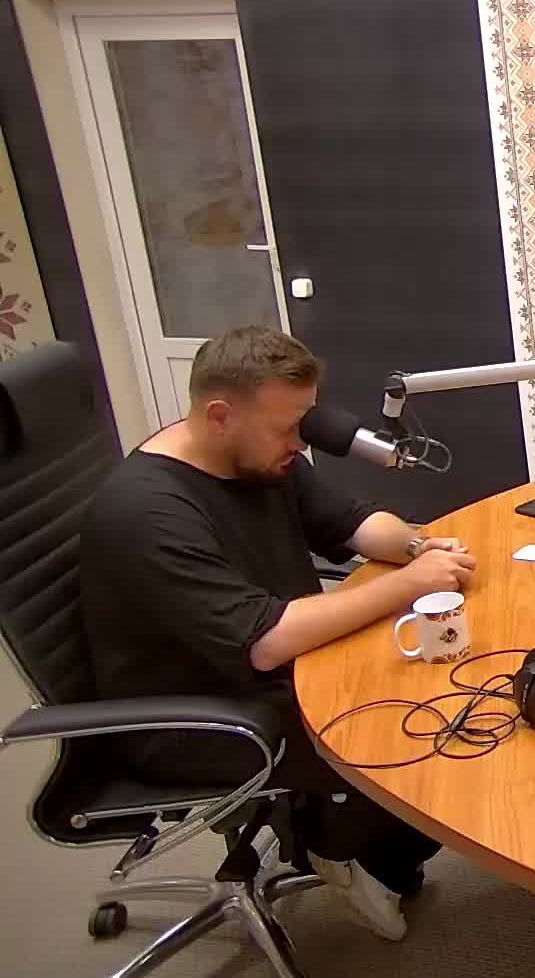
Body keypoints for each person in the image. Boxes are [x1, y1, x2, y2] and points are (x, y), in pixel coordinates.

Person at [82, 327, 476, 941]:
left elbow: (349, 523)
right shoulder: (148, 512)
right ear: (220, 416)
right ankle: (331, 841)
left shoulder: (257, 452)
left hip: (268, 661)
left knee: (441, 678)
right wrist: (408, 584)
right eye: (289, 428)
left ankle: (362, 844)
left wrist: (419, 547)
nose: (300, 442)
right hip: (198, 715)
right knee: (407, 722)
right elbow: (261, 642)